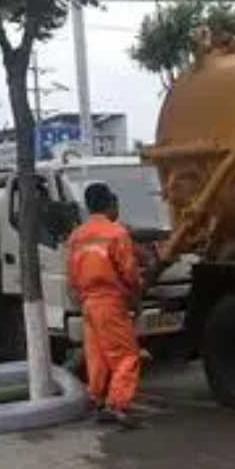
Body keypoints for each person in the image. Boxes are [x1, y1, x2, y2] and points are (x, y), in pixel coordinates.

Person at [67, 182, 143, 429]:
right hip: (110, 301)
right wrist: (136, 297)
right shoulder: (117, 233)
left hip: (88, 302)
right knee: (126, 355)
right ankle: (117, 405)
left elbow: (71, 275)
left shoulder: (77, 236)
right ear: (111, 204)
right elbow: (129, 273)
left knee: (97, 354)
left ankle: (96, 398)